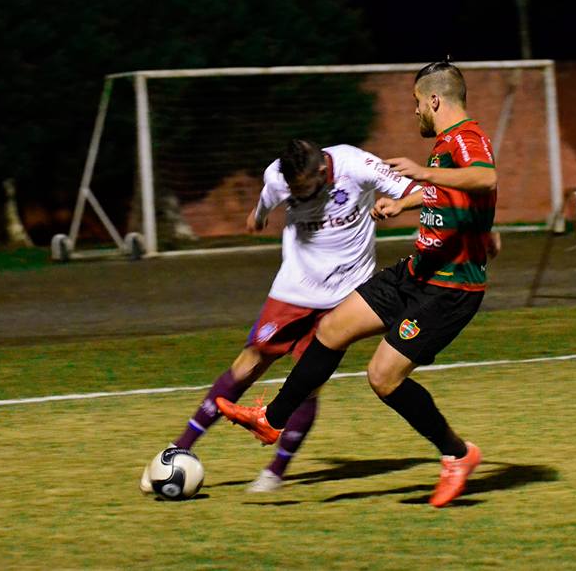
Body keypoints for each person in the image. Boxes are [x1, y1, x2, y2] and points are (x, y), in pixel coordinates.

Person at [217, 61, 501, 507]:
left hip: (449, 288)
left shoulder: (464, 139)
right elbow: (458, 195)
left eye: (415, 105)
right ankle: (272, 420)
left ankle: (457, 454)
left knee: (382, 377)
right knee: (332, 328)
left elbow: (486, 177)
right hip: (418, 270)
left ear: (434, 100)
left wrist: (422, 174)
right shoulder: (450, 142)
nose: (415, 114)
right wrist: (405, 204)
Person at [161, 138, 419, 492]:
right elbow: (266, 202)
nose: (299, 196)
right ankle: (179, 448)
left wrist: (401, 203)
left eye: (306, 188)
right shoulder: (278, 177)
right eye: (293, 190)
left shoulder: (356, 164)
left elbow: (419, 191)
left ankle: (275, 472)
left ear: (322, 171)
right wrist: (258, 217)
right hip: (294, 287)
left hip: (346, 296)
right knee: (248, 363)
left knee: (307, 385)